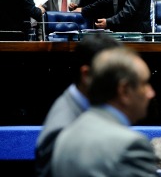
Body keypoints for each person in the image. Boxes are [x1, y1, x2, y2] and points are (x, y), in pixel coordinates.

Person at [51, 46, 157, 177]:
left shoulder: (65, 136)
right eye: (145, 84)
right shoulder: (131, 146)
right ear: (124, 91)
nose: (151, 93)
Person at [35, 33, 122, 177]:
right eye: (113, 73)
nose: (121, 83)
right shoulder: (61, 134)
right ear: (87, 75)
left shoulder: (86, 107)